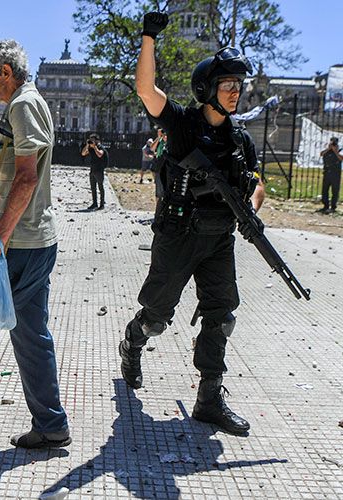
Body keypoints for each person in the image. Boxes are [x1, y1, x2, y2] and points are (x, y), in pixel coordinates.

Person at [119, 13, 265, 436]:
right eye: (228, 86)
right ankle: (133, 340)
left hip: (220, 238)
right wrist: (149, 37)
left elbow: (255, 184)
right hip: (178, 235)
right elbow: (146, 89)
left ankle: (208, 398)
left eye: (239, 86)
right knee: (158, 316)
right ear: (208, 89)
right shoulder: (182, 125)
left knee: (221, 315)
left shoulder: (241, 140)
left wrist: (251, 208)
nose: (235, 93)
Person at [0, 39, 70, 449]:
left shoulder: (23, 105)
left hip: (24, 242)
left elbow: (28, 178)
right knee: (32, 331)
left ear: (5, 72)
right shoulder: (24, 104)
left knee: (28, 334)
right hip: (29, 239)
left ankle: (50, 424)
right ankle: (50, 421)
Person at [80, 133, 108, 210]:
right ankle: (94, 203)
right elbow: (83, 153)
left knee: (100, 187)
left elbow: (100, 154)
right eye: (90, 140)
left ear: (97, 140)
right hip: (93, 169)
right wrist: (87, 145)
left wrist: (95, 147)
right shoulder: (90, 148)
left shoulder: (100, 147)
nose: (91, 142)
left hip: (99, 170)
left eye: (92, 140)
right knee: (93, 188)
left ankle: (102, 204)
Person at [317, 137, 342, 214]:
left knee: (335, 190)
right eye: (332, 142)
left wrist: (335, 151)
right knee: (325, 190)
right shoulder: (327, 150)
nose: (333, 144)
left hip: (335, 173)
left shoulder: (339, 150)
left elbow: (341, 158)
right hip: (327, 172)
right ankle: (325, 206)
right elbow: (321, 154)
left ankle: (333, 206)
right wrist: (328, 148)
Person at [151, 128, 167, 200]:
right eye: (163, 133)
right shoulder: (159, 141)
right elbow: (152, 148)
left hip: (167, 167)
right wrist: (158, 137)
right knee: (158, 192)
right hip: (159, 167)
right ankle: (158, 209)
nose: (164, 135)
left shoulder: (170, 142)